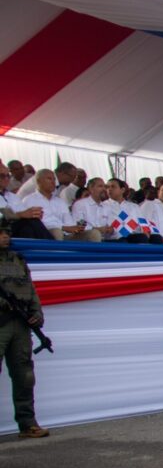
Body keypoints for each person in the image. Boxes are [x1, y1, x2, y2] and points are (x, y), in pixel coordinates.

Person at [0, 218, 49, 438]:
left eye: (7, 233)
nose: (5, 237)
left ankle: (27, 423)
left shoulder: (17, 260)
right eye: (1, 234)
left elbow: (31, 290)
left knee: (24, 375)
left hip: (20, 326)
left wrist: (37, 314)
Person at [21, 169, 91, 241]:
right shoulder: (29, 200)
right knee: (57, 232)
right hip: (44, 235)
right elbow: (36, 225)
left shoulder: (60, 202)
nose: (53, 182)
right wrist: (63, 228)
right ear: (39, 181)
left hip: (65, 234)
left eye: (54, 179)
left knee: (93, 234)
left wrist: (76, 228)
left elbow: (68, 222)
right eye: (49, 179)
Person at [0, 162, 50, 240]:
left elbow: (24, 214)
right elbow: (4, 216)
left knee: (29, 227)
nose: (6, 179)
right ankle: (52, 245)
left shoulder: (13, 196)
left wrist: (32, 214)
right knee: (32, 222)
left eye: (8, 176)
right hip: (4, 229)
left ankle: (46, 247)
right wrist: (22, 215)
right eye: (2, 176)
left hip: (18, 229)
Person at [103, 178, 163, 243]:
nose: (109, 189)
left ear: (122, 190)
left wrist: (146, 231)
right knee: (123, 240)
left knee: (156, 238)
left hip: (133, 235)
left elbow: (143, 223)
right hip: (114, 237)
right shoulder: (103, 206)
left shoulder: (133, 206)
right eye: (107, 187)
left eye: (113, 186)